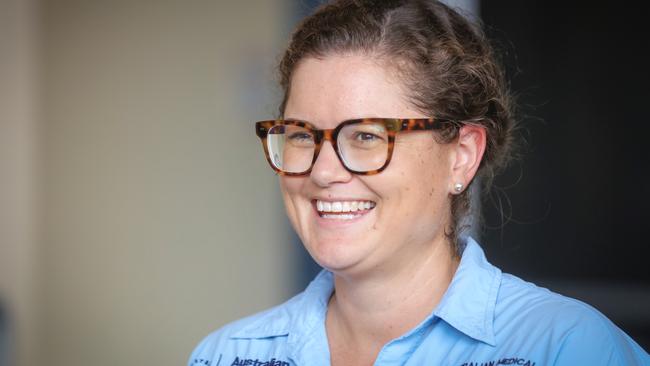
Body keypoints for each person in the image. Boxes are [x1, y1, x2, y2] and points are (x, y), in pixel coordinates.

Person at [189, 1, 649, 365]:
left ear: (461, 157)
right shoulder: (227, 355)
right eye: (301, 136)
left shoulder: (566, 349)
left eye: (366, 136)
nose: (323, 173)